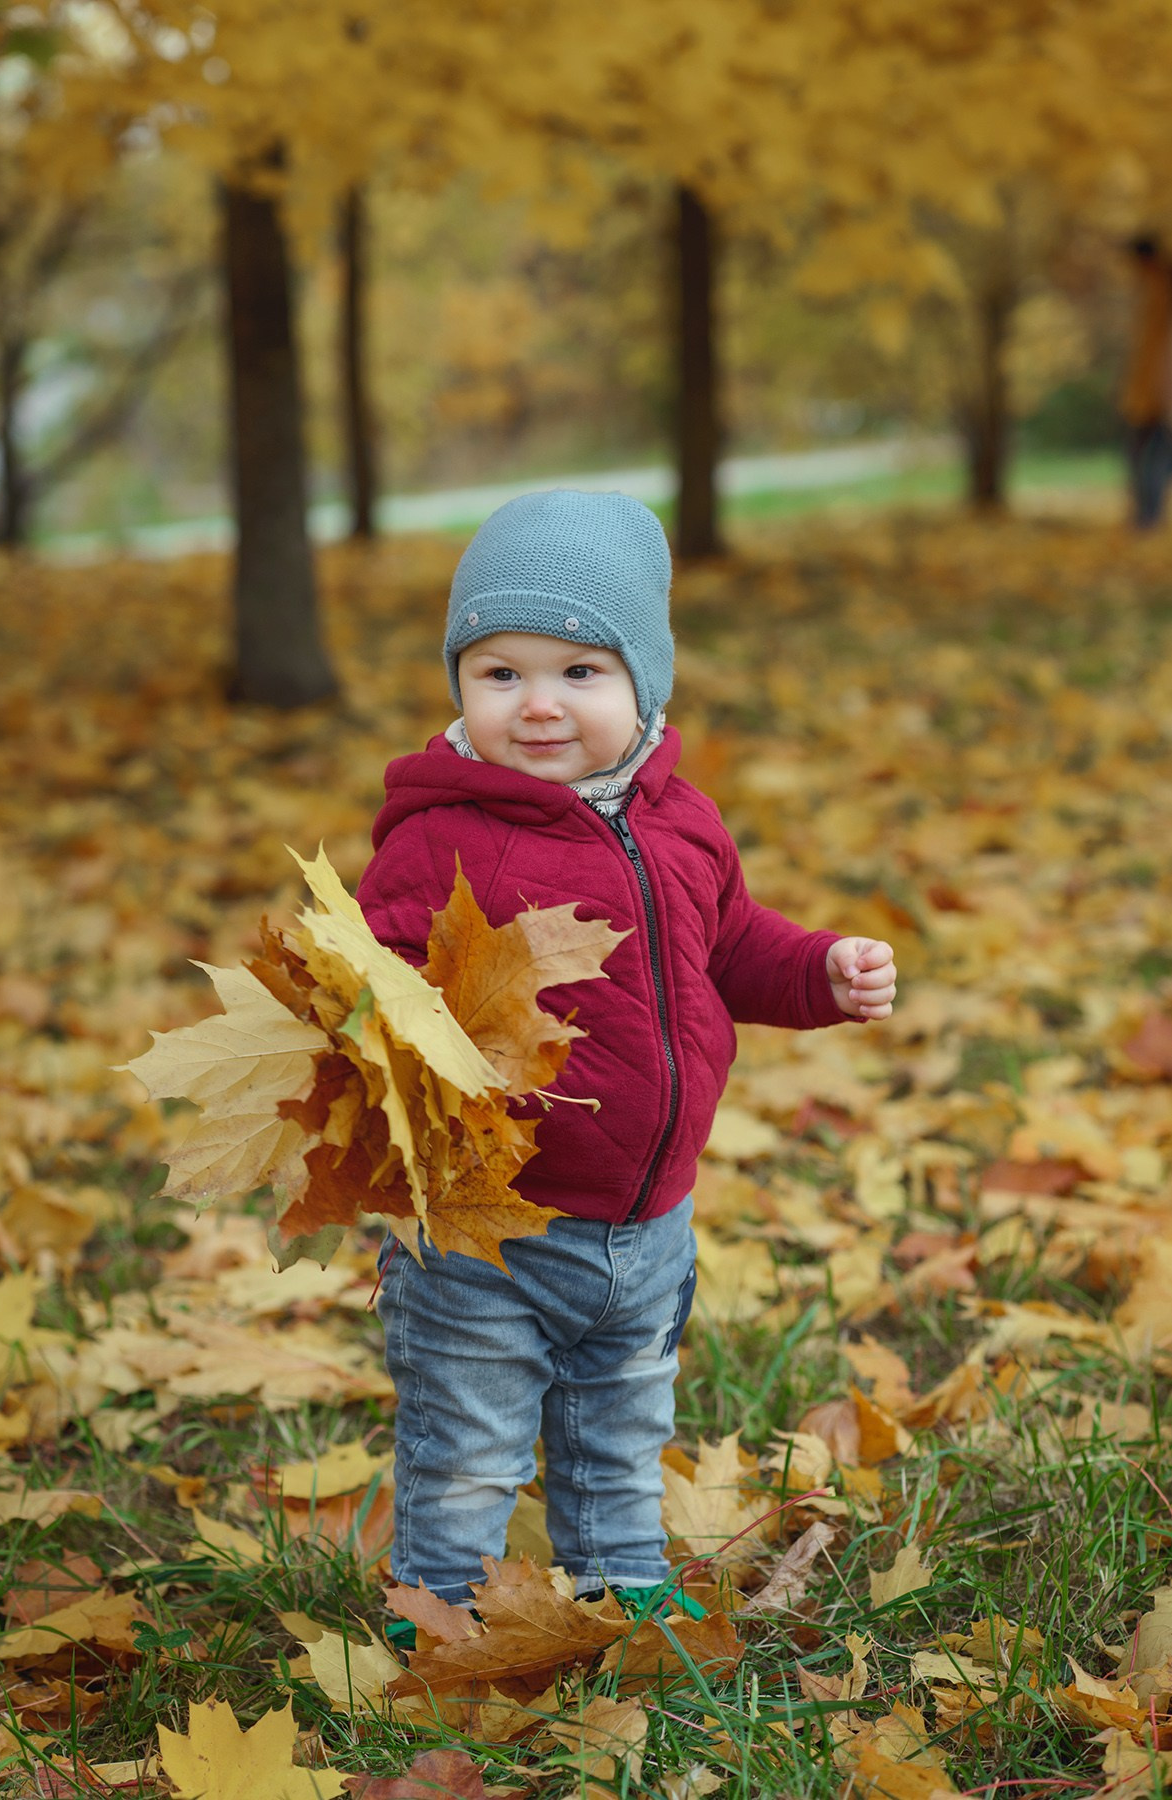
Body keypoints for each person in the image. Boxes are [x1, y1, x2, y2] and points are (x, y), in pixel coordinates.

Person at [356, 489, 896, 1623]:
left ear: (643, 680)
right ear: (458, 682)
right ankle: (442, 1607)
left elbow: (729, 944)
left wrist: (819, 972)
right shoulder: (441, 838)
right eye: (500, 674)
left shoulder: (680, 820)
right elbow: (380, 995)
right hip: (488, 1234)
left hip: (648, 1225)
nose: (539, 706)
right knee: (466, 1440)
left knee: (621, 1417)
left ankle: (618, 1583)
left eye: (579, 674)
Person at [1121, 235, 1172, 530]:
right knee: (1144, 457)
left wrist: (1165, 394)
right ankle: (1144, 517)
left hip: (1157, 393)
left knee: (1152, 459)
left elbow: (1164, 349)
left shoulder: (1161, 292)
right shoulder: (1150, 291)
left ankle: (1147, 519)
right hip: (1143, 393)